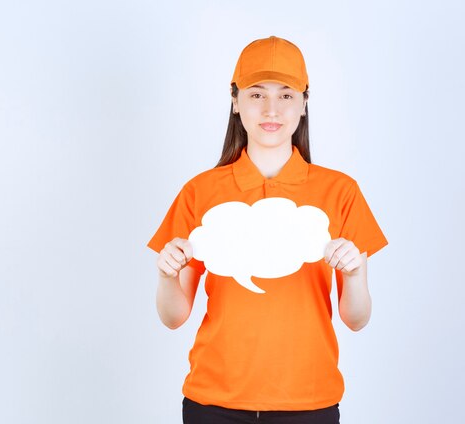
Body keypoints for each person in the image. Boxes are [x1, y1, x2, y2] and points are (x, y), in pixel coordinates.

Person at [147, 35, 388, 424]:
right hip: (213, 403)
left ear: (305, 103)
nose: (271, 109)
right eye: (257, 94)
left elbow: (356, 318)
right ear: (235, 100)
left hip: (310, 402)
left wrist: (356, 275)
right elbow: (174, 316)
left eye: (287, 95)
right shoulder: (200, 191)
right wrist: (165, 276)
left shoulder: (340, 191)